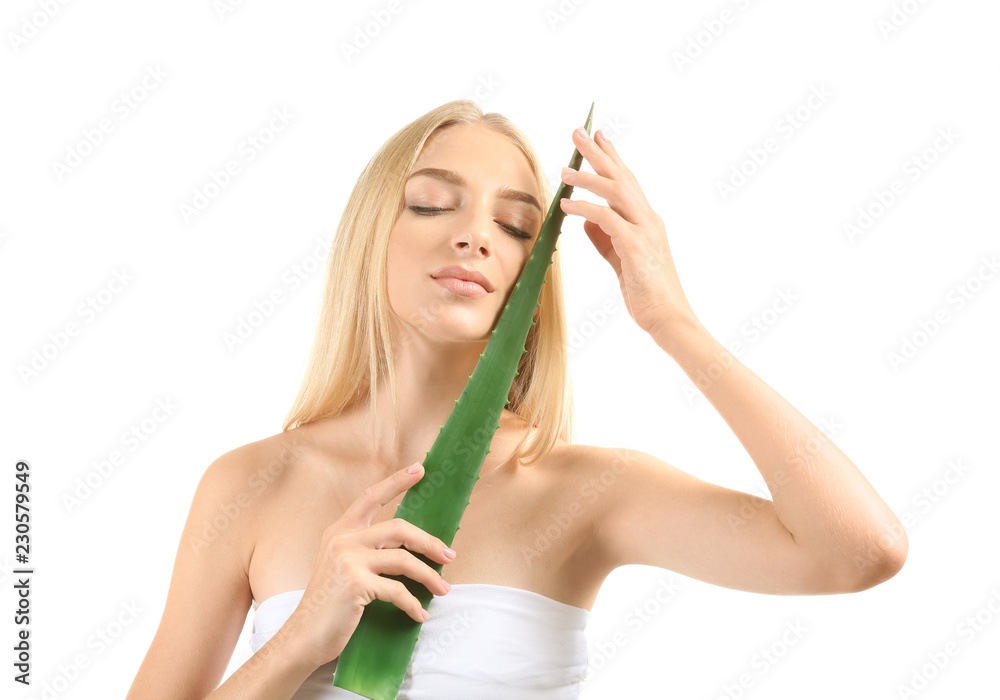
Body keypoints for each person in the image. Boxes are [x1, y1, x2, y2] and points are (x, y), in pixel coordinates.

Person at [126, 100, 907, 699]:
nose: (475, 237)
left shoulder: (584, 491)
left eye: (515, 225)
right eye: (433, 203)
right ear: (370, 234)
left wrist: (673, 321)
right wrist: (300, 638)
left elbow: (859, 551)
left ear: (531, 281)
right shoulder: (251, 484)